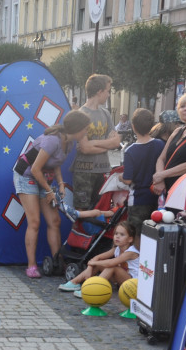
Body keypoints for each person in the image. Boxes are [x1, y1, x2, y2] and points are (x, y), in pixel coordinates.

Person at [12, 110, 91, 278]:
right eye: (85, 128)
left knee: (54, 221)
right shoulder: (52, 141)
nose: (86, 132)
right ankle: (31, 266)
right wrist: (49, 190)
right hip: (26, 176)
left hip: (43, 178)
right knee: (34, 222)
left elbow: (56, 163)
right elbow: (34, 168)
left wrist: (60, 184)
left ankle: (57, 262)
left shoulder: (68, 143)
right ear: (77, 128)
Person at [72, 74, 120, 218]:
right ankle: (80, 240)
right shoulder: (80, 114)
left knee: (101, 208)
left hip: (103, 170)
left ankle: (95, 240)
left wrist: (94, 143)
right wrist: (107, 144)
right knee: (82, 211)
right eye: (107, 91)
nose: (108, 95)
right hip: (84, 172)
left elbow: (116, 142)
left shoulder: (105, 113)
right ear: (99, 91)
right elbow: (85, 149)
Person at [58, 222, 140, 293]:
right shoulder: (116, 249)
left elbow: (111, 263)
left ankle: (92, 290)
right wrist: (90, 266)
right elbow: (98, 257)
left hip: (133, 283)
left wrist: (93, 262)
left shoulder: (131, 252)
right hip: (122, 280)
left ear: (130, 239)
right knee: (100, 264)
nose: (117, 236)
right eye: (116, 234)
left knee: (112, 267)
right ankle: (74, 282)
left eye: (122, 234)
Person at [121, 108, 165, 231]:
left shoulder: (130, 151)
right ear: (152, 126)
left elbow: (128, 180)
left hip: (138, 199)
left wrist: (120, 177)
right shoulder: (160, 144)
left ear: (133, 127)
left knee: (136, 234)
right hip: (156, 197)